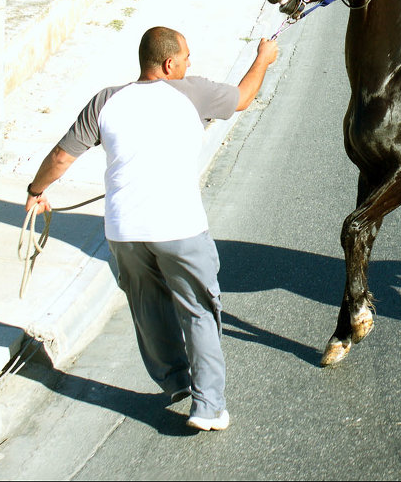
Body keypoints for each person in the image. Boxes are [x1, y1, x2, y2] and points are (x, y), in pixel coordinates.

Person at [24, 27, 278, 431]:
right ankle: (208, 407)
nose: (190, 64)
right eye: (186, 57)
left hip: (124, 230)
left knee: (148, 306)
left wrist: (37, 191)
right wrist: (263, 59)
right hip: (178, 226)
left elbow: (60, 156)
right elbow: (244, 97)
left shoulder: (105, 101)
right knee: (198, 309)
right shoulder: (192, 92)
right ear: (168, 63)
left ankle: (176, 381)